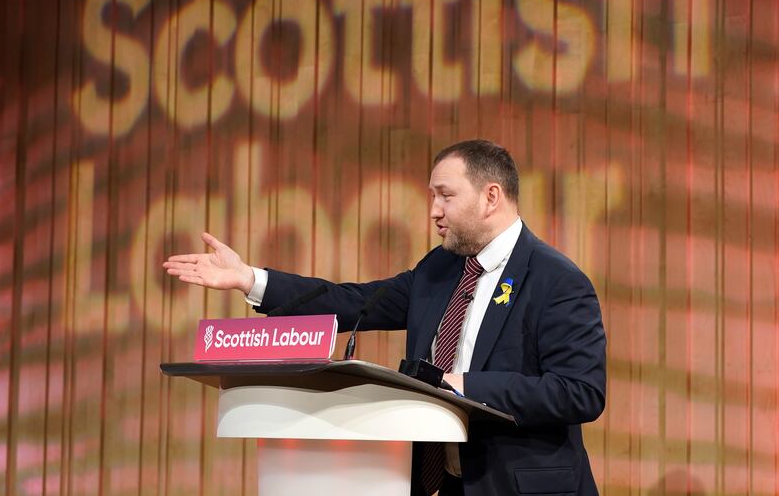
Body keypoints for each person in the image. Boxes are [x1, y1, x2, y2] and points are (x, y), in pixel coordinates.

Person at [163, 139, 606, 496]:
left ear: (492, 197)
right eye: (432, 196)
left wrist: (466, 387)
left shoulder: (556, 280)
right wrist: (249, 279)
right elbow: (355, 302)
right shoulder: (439, 268)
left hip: (518, 485)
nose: (433, 210)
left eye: (445, 196)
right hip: (441, 483)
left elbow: (580, 392)